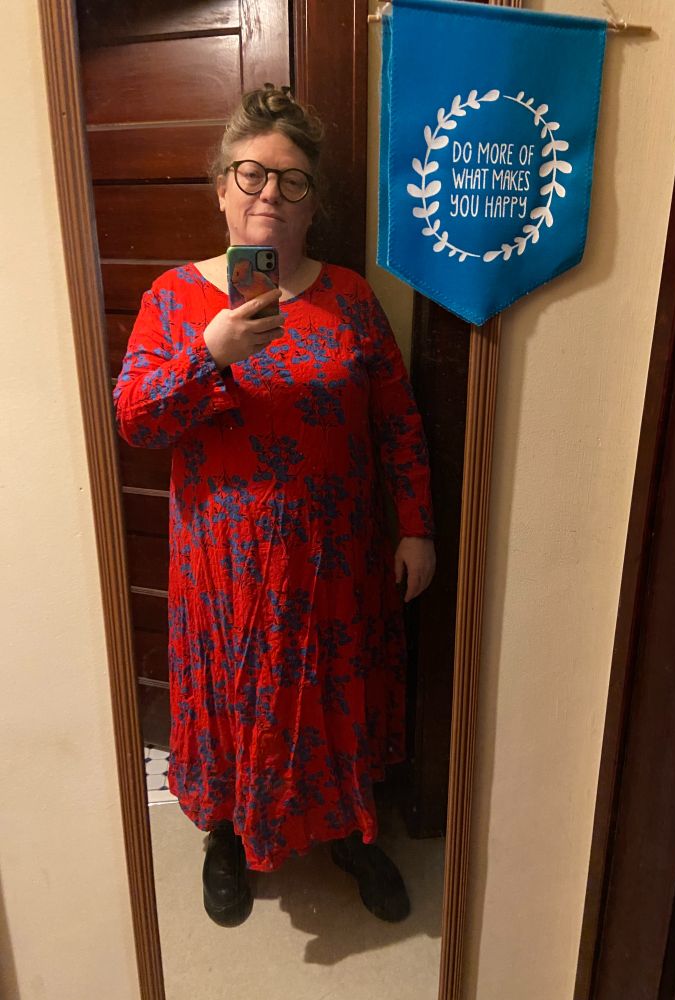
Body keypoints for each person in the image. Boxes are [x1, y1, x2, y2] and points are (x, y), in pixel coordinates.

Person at [114, 86, 436, 927]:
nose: (268, 194)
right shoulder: (173, 300)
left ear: (313, 204)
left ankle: (351, 832)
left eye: (291, 181)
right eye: (250, 174)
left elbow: (398, 419)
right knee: (229, 696)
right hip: (223, 570)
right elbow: (137, 421)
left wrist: (416, 527)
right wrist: (208, 356)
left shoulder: (352, 299)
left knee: (336, 695)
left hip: (336, 562)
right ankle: (227, 833)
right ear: (221, 188)